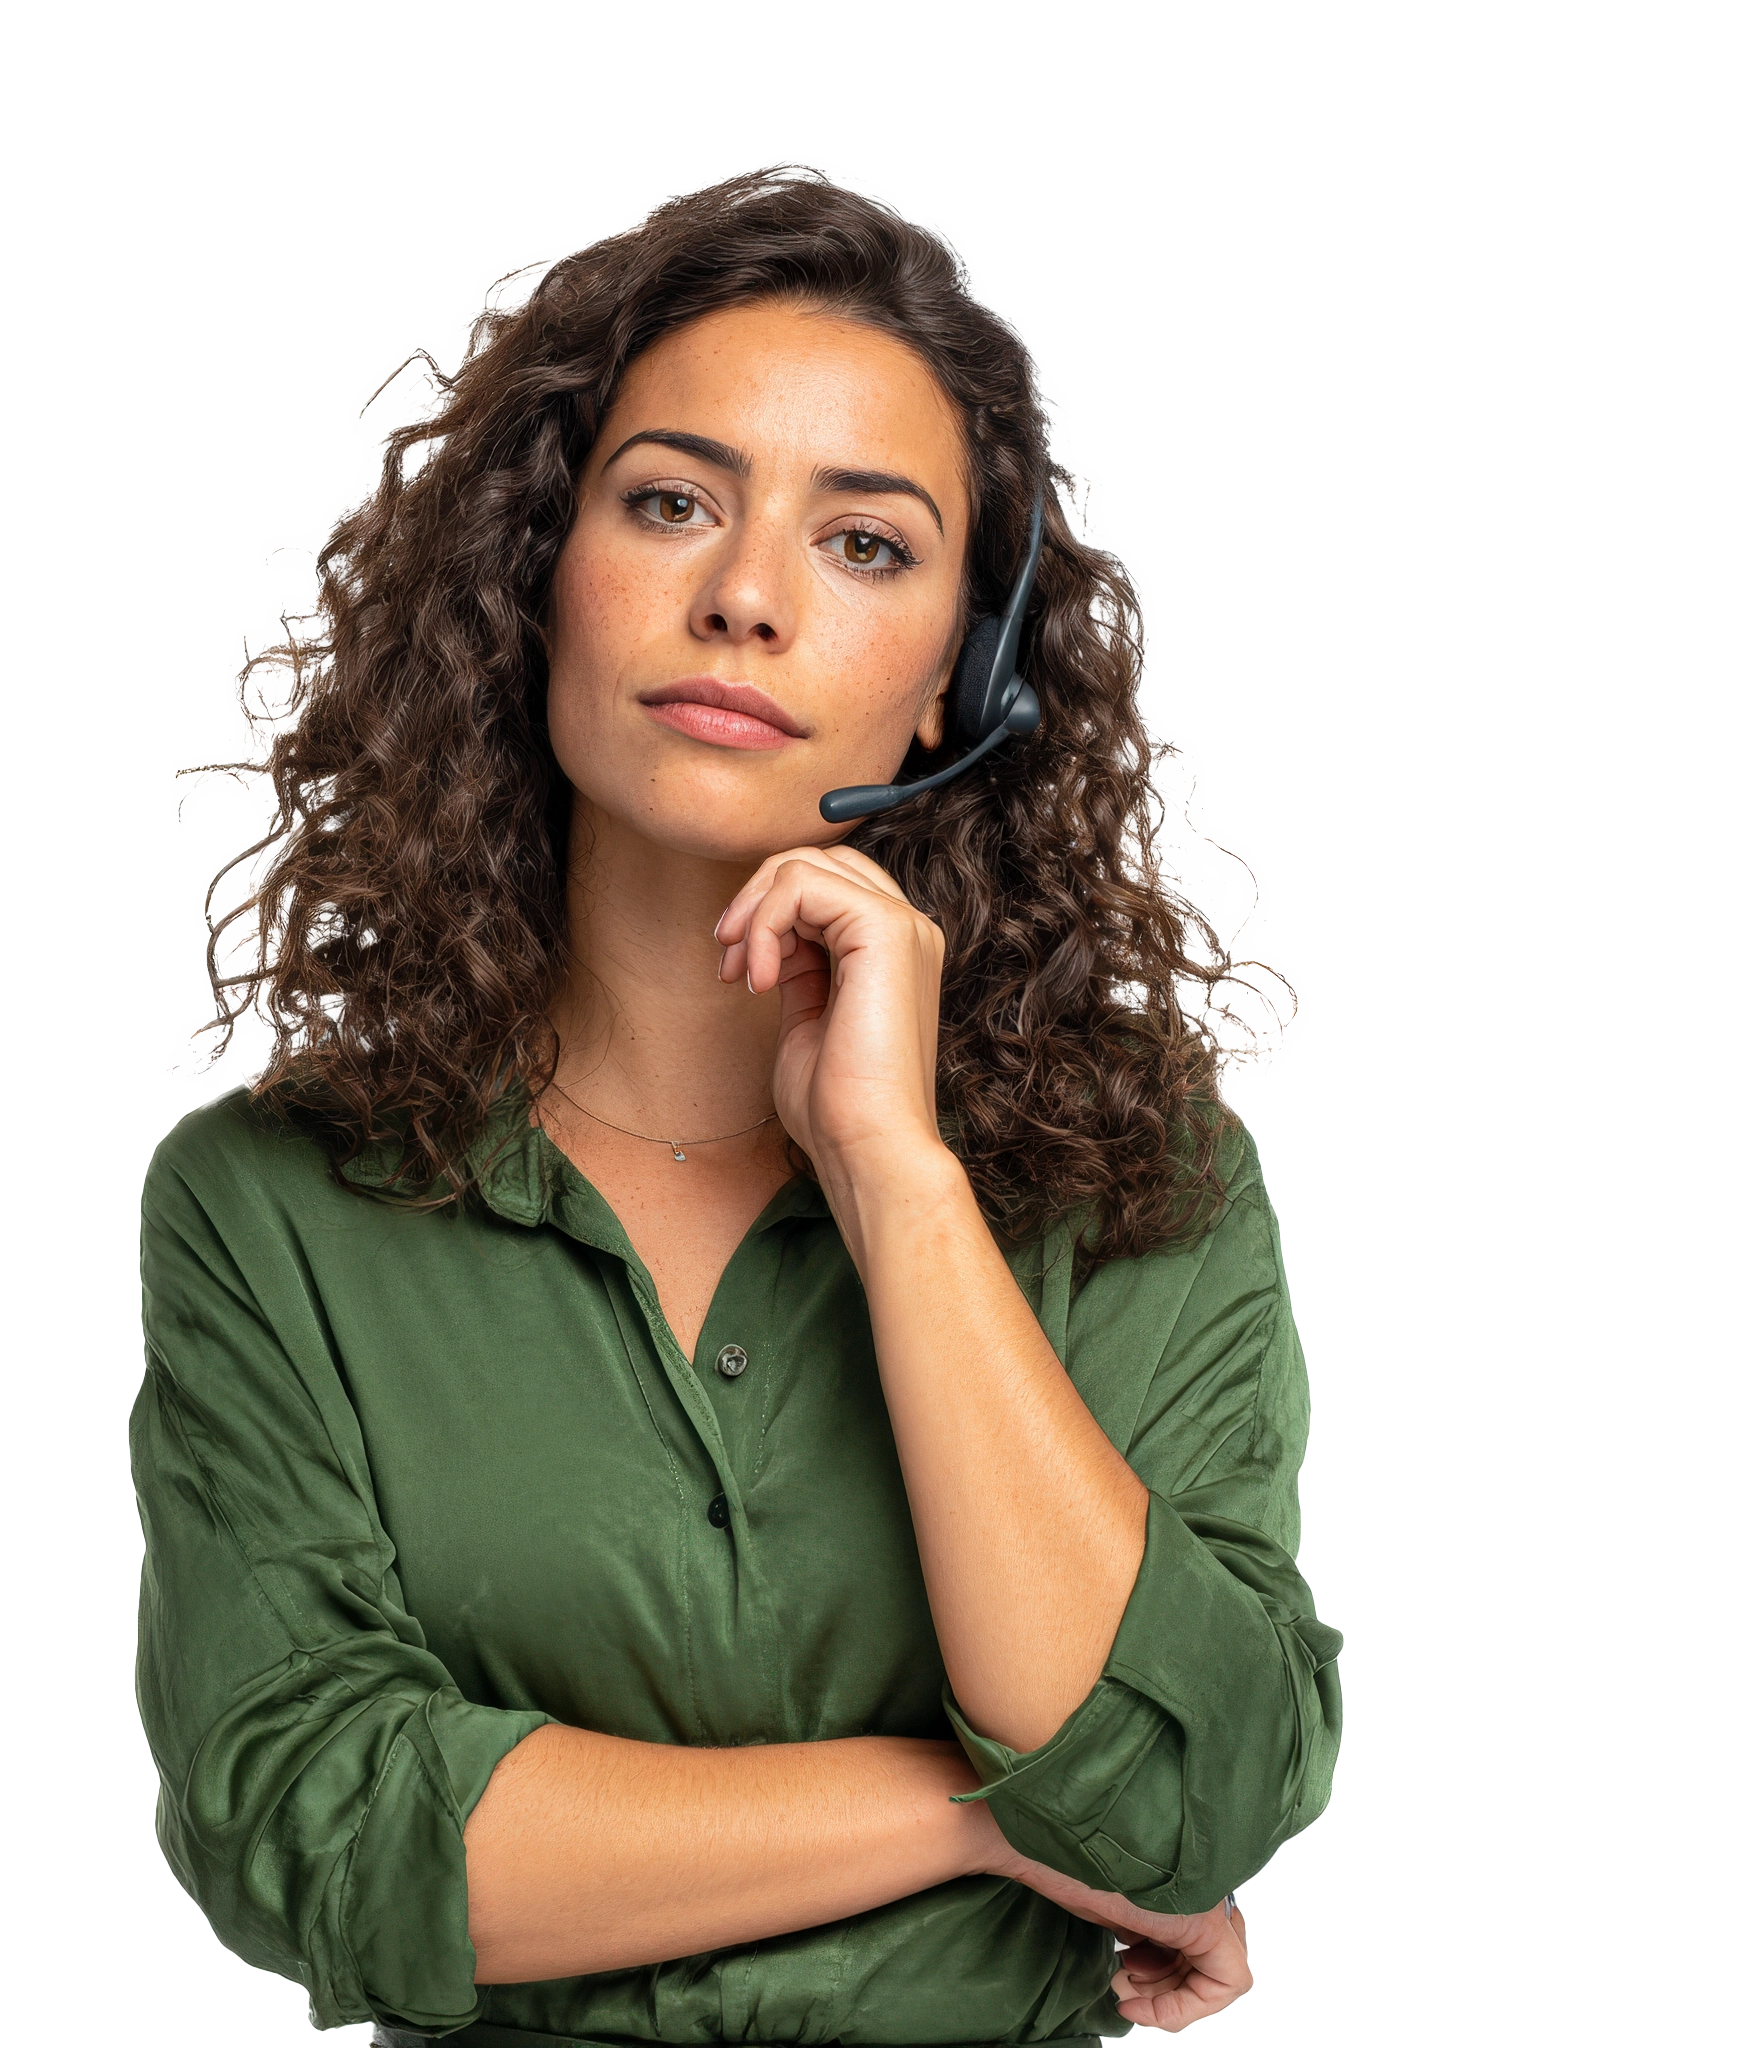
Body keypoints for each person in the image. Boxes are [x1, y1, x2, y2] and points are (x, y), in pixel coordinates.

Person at [131, 165, 1342, 2048]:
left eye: (867, 544)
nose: (748, 598)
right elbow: (319, 1838)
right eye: (673, 501)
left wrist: (900, 1178)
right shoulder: (276, 1204)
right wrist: (992, 1822)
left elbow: (1188, 1799)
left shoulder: (1146, 1186)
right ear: (538, 575)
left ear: (965, 682)